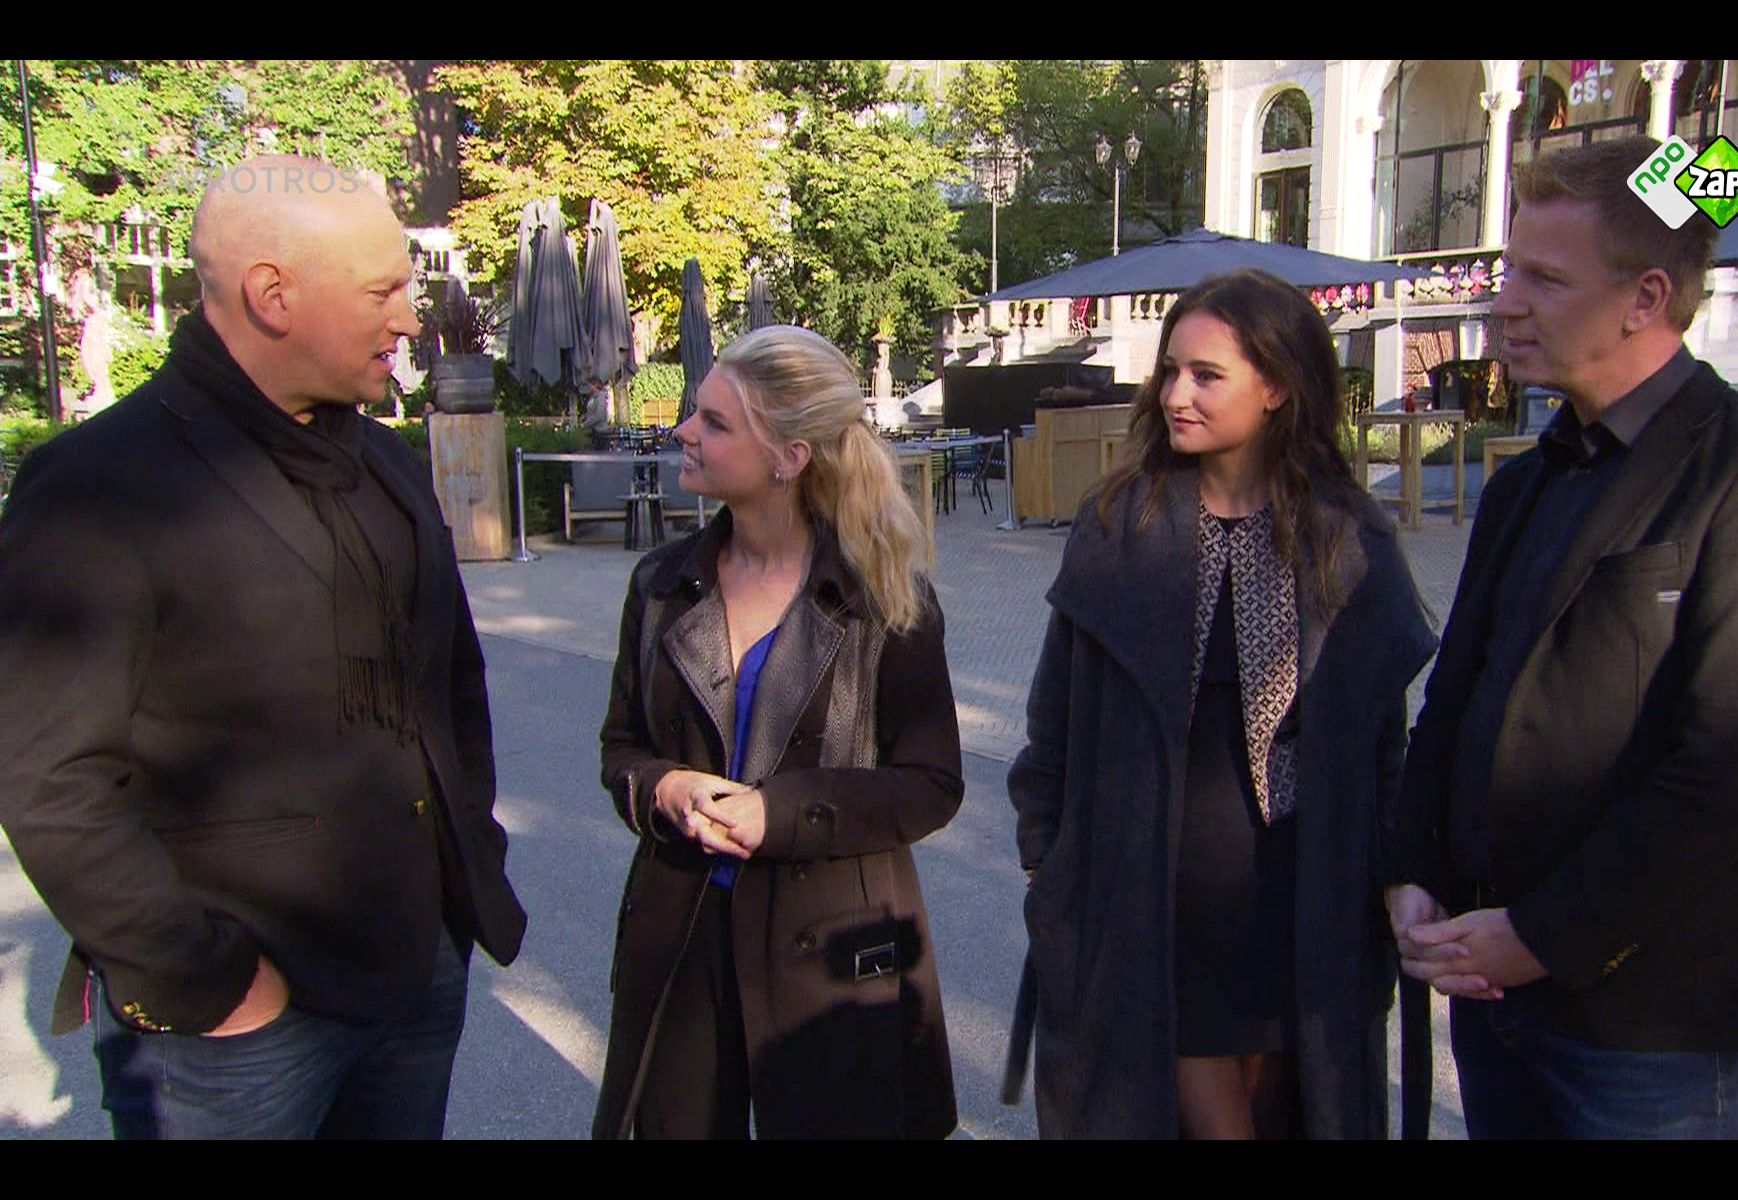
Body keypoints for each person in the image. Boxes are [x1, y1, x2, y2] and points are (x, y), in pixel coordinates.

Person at [0, 157, 527, 1139]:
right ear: (271, 295)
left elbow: (452, 684)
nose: (410, 319)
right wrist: (205, 980)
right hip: (233, 1024)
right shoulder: (99, 485)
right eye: (381, 291)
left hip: (417, 972)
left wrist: (467, 866)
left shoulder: (383, 460)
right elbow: (49, 778)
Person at [1388, 136, 1738, 1139]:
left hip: (1653, 1022)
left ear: (1645, 298)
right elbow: (1456, 702)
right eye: (1509, 270)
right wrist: (1412, 870)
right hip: (1493, 993)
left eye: (1544, 278)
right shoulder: (1527, 483)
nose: (1504, 303)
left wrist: (1543, 937)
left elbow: (1728, 776)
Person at [1007, 269, 1437, 1139]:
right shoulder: (1119, 526)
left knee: (1292, 1111)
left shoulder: (1346, 535)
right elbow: (1055, 716)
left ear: (1277, 387)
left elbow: (1382, 743)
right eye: (1171, 371)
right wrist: (1045, 856)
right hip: (1153, 900)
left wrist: (1398, 876)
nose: (1175, 395)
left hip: (1302, 902)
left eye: (1206, 375)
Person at [593, 325, 963, 1140]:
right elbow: (621, 748)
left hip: (832, 952)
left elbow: (931, 785)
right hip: (684, 936)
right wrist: (666, 787)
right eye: (695, 413)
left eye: (715, 422)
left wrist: (782, 813)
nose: (683, 431)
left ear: (789, 458)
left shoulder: (882, 598)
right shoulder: (661, 584)